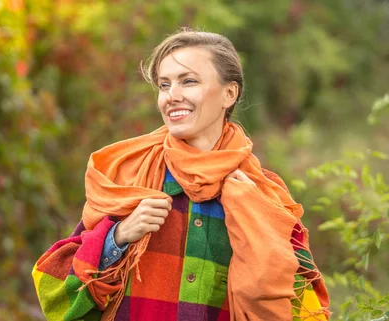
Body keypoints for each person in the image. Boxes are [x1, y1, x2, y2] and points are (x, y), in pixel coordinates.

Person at [32, 28, 330, 321]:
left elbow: (305, 308)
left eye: (188, 81)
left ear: (229, 93)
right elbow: (55, 289)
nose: (171, 96)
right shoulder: (130, 175)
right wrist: (118, 236)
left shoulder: (263, 194)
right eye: (164, 85)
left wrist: (257, 222)